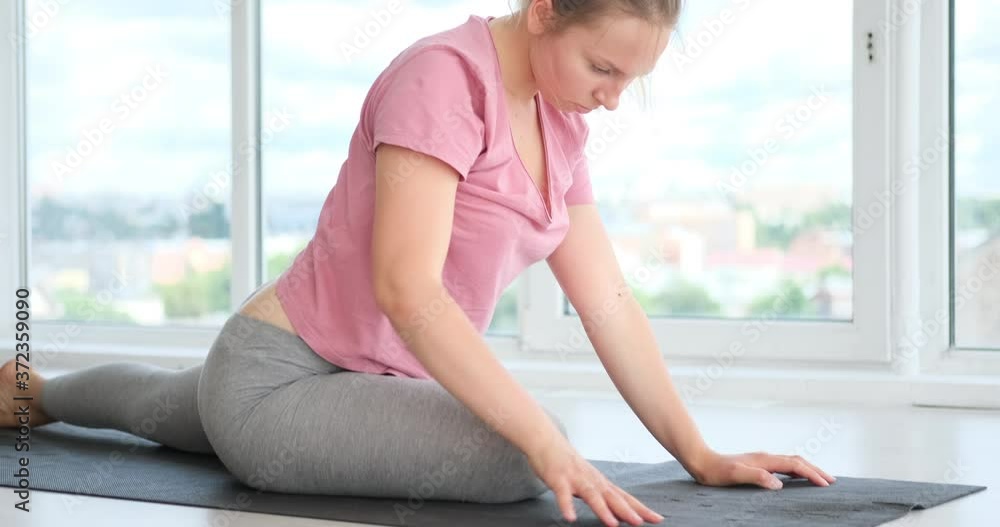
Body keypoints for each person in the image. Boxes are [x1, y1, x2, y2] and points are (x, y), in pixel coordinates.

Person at [1, 1, 836, 526]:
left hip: (341, 380)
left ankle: (34, 389)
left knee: (162, 405)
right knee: (524, 454)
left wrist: (700, 453)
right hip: (280, 376)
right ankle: (44, 392)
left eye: (632, 80)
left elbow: (608, 301)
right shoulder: (443, 81)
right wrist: (544, 442)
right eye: (603, 67)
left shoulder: (561, 124)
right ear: (544, 10)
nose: (612, 98)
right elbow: (407, 289)